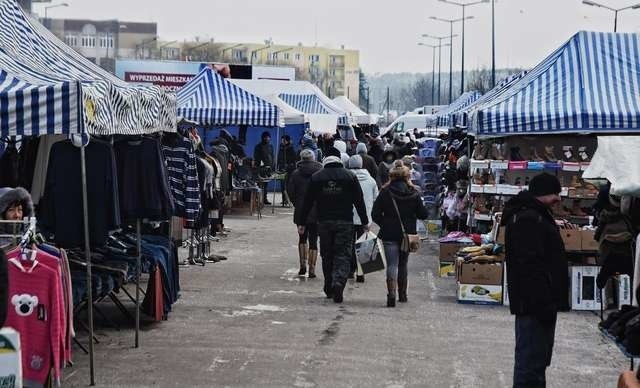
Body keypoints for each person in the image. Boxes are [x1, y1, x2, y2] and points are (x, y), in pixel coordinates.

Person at [501, 173, 568, 388]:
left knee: (536, 362)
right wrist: (544, 300)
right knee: (530, 364)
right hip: (535, 304)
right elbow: (530, 266)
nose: (559, 199)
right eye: (555, 194)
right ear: (543, 194)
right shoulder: (528, 219)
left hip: (539, 302)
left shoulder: (535, 215)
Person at [298, 154, 368, 304]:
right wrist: (365, 221)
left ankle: (329, 286)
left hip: (324, 222)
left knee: (327, 254)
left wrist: (302, 222)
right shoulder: (349, 176)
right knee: (343, 254)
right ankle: (338, 283)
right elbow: (359, 200)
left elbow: (307, 202)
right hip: (345, 221)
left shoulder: (317, 177)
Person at [372, 161, 428, 307]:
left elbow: (375, 214)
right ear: (407, 176)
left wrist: (384, 224)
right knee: (403, 264)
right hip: (407, 235)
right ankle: (402, 294)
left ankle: (391, 294)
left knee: (392, 265)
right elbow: (423, 214)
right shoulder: (414, 193)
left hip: (389, 233)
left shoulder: (385, 192)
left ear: (392, 176)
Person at [288, 149, 323, 277]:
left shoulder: (296, 174)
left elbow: (290, 191)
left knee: (302, 237)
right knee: (314, 239)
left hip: (301, 210)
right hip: (316, 210)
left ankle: (302, 265)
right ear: (313, 158)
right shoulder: (320, 173)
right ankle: (312, 268)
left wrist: (296, 203)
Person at [347, 155, 379, 283]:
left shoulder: (347, 178)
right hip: (365, 217)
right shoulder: (371, 180)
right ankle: (361, 272)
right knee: (364, 244)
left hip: (348, 217)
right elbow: (376, 198)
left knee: (349, 244)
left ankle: (350, 270)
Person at [253, 131, 274, 205]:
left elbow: (272, 156)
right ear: (263, 138)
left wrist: (272, 166)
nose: (267, 139)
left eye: (268, 137)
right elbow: (256, 157)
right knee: (259, 184)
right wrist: (259, 165)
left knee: (265, 185)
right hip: (260, 168)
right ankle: (257, 199)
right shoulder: (258, 146)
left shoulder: (270, 146)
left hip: (268, 169)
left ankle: (264, 199)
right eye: (266, 137)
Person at [277, 135, 297, 207]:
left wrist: (288, 165)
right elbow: (279, 158)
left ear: (287, 141)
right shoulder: (281, 148)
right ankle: (284, 199)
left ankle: (289, 200)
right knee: (282, 185)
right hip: (281, 169)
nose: (282, 141)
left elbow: (294, 159)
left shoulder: (291, 149)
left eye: (284, 140)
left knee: (288, 186)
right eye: (282, 140)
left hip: (289, 170)